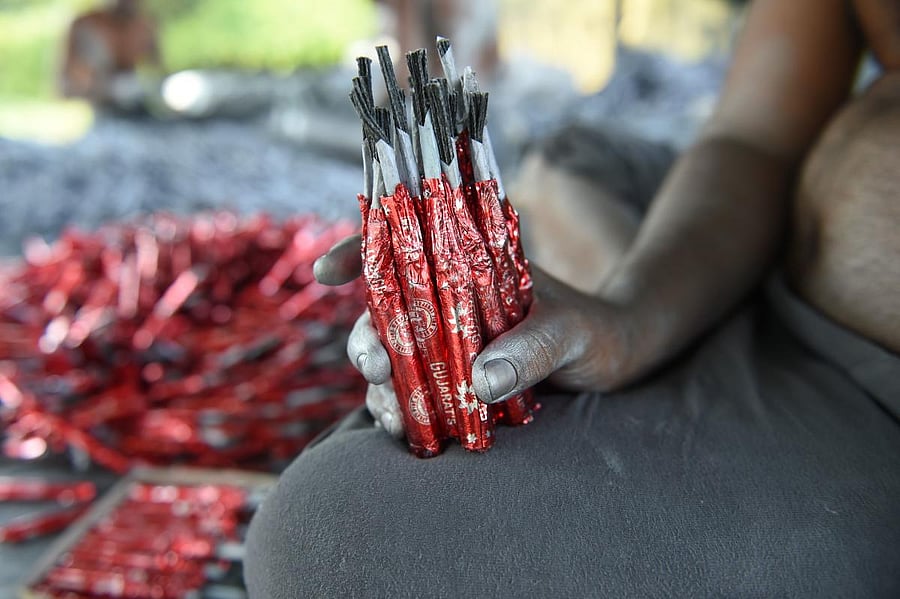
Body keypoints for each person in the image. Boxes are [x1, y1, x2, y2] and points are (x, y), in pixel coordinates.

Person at [246, 0, 900, 596]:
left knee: (333, 543)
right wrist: (629, 320)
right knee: (337, 520)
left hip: (859, 411)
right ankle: (647, 328)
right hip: (757, 274)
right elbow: (754, 137)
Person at [59, 0, 160, 113]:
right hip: (99, 111)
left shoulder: (145, 26)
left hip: (141, 111)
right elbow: (64, 86)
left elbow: (159, 73)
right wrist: (98, 86)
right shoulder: (86, 24)